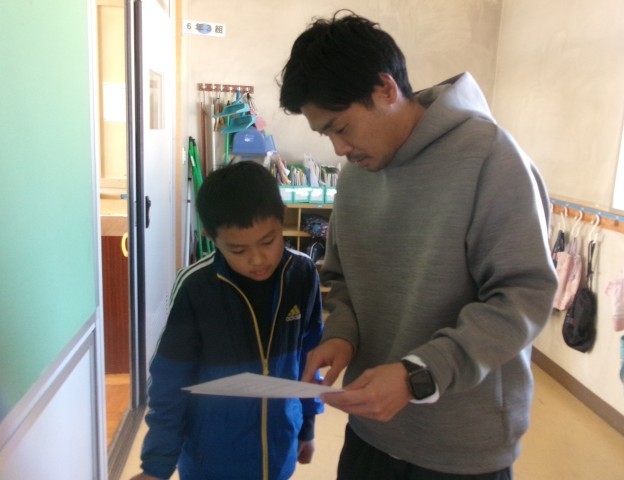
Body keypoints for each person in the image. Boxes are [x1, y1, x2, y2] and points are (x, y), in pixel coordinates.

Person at [279, 11, 558, 480]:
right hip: (371, 431)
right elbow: (342, 279)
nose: (338, 149)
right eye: (325, 134)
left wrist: (417, 375)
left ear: (385, 89)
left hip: (461, 446)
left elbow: (523, 297)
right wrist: (342, 334)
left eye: (341, 127)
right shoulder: (356, 176)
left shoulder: (490, 157)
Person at [130, 161, 324, 480]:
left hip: (279, 451)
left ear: (282, 219)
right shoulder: (196, 287)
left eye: (268, 241)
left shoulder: (301, 274)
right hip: (211, 462)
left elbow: (309, 357)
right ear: (212, 237)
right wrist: (156, 466)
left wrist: (307, 426)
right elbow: (169, 383)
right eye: (238, 250)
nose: (257, 259)